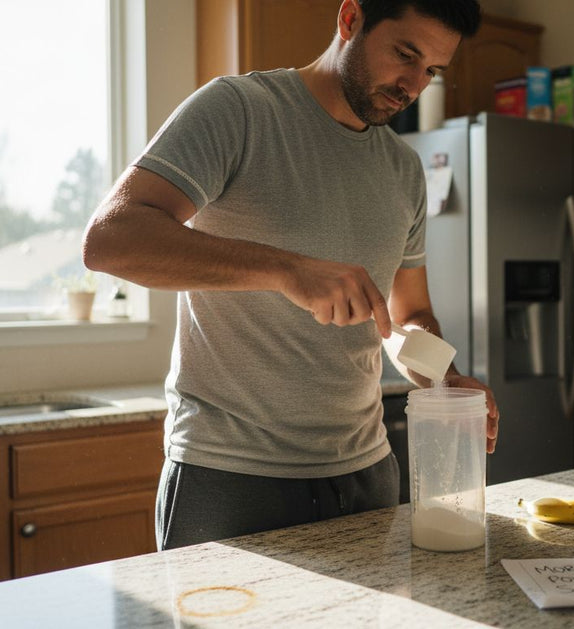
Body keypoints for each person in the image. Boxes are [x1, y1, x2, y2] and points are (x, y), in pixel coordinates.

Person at [82, 0, 498, 550]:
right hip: (232, 477)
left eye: (431, 70)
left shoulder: (403, 169)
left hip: (367, 474)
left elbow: (408, 316)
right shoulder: (238, 110)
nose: (413, 84)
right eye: (405, 54)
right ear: (351, 20)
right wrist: (285, 269)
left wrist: (442, 378)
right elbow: (110, 241)